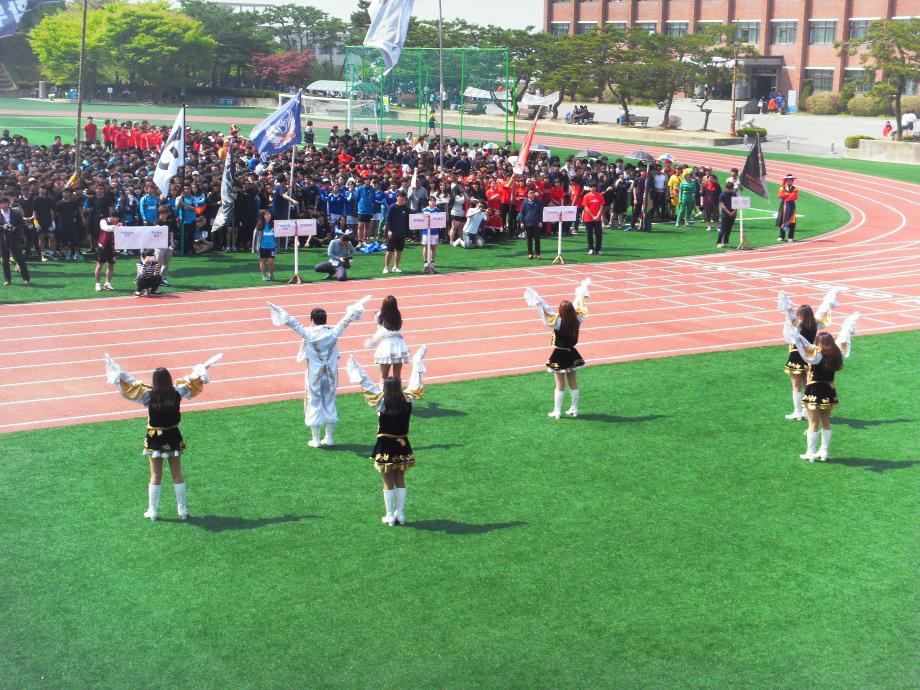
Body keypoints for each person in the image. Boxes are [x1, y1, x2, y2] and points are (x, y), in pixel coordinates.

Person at [103, 352, 222, 521]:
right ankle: (182, 510)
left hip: (155, 438)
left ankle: (153, 511)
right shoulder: (177, 393)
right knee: (177, 474)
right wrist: (204, 367)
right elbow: (193, 380)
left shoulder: (148, 395)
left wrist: (119, 373)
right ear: (169, 379)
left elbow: (130, 385)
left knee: (155, 475)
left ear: (155, 381)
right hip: (173, 435)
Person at [268, 296, 371, 447]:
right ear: (325, 319)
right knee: (330, 402)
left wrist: (279, 311)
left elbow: (292, 323)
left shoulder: (309, 333)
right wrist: (354, 309)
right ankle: (329, 438)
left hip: (314, 376)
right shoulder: (334, 332)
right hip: (331, 376)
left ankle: (316, 439)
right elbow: (347, 319)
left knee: (313, 403)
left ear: (312, 320)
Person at [346, 347, 427, 525]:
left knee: (388, 481)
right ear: (399, 387)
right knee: (400, 480)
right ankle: (401, 515)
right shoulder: (408, 400)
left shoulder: (382, 402)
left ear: (385, 388)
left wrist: (358, 369)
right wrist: (417, 361)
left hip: (385, 446)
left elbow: (367, 385)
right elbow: (416, 384)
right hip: (403, 445)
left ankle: (390, 515)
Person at [784, 313, 859, 461]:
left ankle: (810, 453)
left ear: (820, 343)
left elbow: (804, 346)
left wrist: (795, 334)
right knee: (826, 423)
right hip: (829, 391)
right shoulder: (837, 354)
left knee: (813, 423)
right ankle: (824, 452)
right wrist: (847, 327)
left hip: (814, 390)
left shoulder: (816, 356)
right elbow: (843, 338)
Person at [523, 278, 591, 418]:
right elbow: (579, 304)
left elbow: (547, 312)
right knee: (573, 383)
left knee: (560, 384)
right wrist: (581, 293)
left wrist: (539, 301)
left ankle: (557, 411)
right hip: (572, 354)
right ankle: (574, 409)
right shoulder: (577, 319)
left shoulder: (558, 321)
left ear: (561, 311)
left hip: (559, 355)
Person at [778, 288, 841, 421]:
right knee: (807, 385)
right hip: (809, 357)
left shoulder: (798, 324)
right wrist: (830, 298)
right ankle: (807, 411)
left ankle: (797, 411)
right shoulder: (815, 324)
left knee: (796, 386)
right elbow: (823, 310)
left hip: (796, 356)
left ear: (801, 315)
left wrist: (786, 303)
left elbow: (790, 316)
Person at [367, 295, 411, 381]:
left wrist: (373, 341)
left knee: (384, 376)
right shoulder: (398, 314)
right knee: (397, 376)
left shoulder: (379, 315)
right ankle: (397, 389)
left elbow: (380, 332)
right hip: (399, 345)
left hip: (386, 346)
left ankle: (384, 389)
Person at [1, 196, 32, 286]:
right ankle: (7, 280)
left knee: (20, 259)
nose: (4, 205)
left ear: (9, 204)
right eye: (2, 204)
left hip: (14, 238)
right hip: (3, 239)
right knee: (5, 261)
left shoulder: (15, 212)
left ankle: (26, 279)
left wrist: (14, 228)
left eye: (6, 203)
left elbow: (21, 224)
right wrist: (3, 226)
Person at [383, 191, 409, 274]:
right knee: (389, 250)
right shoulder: (392, 207)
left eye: (403, 197)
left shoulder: (406, 208)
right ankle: (386, 267)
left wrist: (424, 213)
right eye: (400, 197)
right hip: (392, 233)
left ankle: (396, 267)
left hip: (401, 233)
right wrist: (389, 230)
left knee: (399, 250)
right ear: (397, 197)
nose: (401, 198)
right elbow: (388, 219)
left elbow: (413, 215)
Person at [94, 211, 119, 292]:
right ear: (112, 217)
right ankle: (97, 284)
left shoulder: (118, 223)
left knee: (111, 266)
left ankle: (107, 283)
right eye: (116, 218)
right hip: (103, 247)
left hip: (112, 248)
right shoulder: (103, 221)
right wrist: (115, 227)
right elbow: (106, 228)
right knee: (99, 266)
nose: (117, 220)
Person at [518, 188, 544, 260]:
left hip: (536, 223)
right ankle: (530, 254)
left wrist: (540, 221)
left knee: (537, 239)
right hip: (527, 223)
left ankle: (538, 254)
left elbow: (541, 213)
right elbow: (522, 213)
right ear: (527, 194)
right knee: (529, 239)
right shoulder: (525, 202)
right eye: (530, 193)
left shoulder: (539, 202)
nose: (532, 194)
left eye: (533, 193)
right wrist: (522, 222)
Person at [581, 183, 605, 255]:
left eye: (594, 187)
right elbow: (586, 207)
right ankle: (590, 248)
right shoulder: (586, 196)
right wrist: (592, 216)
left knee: (598, 234)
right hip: (588, 218)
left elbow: (601, 206)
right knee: (589, 234)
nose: (593, 188)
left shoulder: (600, 195)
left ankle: (598, 249)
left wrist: (597, 215)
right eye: (591, 187)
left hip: (597, 218)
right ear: (589, 188)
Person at [420, 196, 442, 273]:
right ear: (428, 202)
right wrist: (424, 214)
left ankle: (432, 261)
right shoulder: (424, 210)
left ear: (435, 202)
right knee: (425, 246)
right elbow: (421, 220)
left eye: (433, 201)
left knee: (433, 247)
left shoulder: (438, 210)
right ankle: (425, 262)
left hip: (435, 231)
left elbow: (440, 220)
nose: (432, 202)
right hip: (426, 231)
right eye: (430, 201)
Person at [776, 174, 798, 242]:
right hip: (783, 205)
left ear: (792, 181)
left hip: (791, 206)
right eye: (787, 180)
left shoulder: (795, 189)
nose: (789, 181)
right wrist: (788, 194)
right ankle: (781, 236)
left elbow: (794, 197)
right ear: (786, 180)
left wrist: (785, 195)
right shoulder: (782, 188)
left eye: (790, 180)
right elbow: (779, 195)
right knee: (782, 220)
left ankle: (790, 237)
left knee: (791, 221)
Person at [255, 209, 275, 281]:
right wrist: (257, 246)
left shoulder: (273, 224)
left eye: (269, 214)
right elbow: (256, 236)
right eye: (266, 214)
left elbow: (277, 235)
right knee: (263, 261)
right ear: (263, 216)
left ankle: (271, 275)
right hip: (262, 247)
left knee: (271, 261)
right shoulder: (260, 224)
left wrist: (277, 245)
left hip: (272, 246)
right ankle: (264, 275)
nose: (268, 216)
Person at [716, 181, 736, 248]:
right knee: (722, 229)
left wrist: (733, 211)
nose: (730, 190)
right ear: (726, 188)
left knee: (729, 229)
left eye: (731, 188)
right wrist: (728, 212)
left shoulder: (734, 194)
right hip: (725, 215)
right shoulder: (722, 195)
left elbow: (737, 203)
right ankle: (718, 242)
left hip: (732, 214)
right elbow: (721, 205)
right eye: (728, 188)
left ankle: (726, 242)